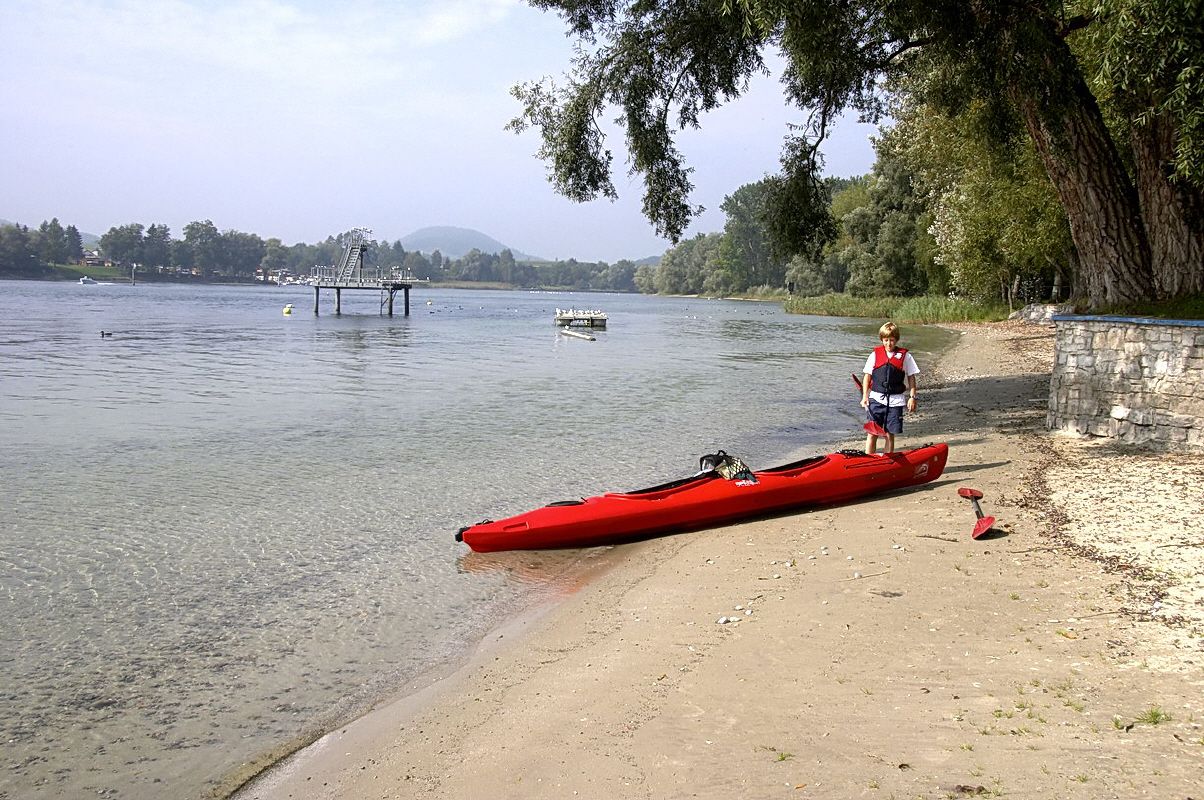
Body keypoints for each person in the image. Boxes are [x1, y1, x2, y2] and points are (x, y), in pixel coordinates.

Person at [859, 321, 919, 455]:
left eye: (891, 340)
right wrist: (864, 396)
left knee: (889, 434)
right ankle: (868, 459)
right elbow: (867, 377)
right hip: (876, 400)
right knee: (872, 433)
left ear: (896, 340)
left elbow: (911, 377)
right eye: (886, 340)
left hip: (895, 402)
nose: (889, 344)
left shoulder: (905, 356)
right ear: (882, 340)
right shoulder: (874, 355)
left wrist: (912, 397)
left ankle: (888, 460)